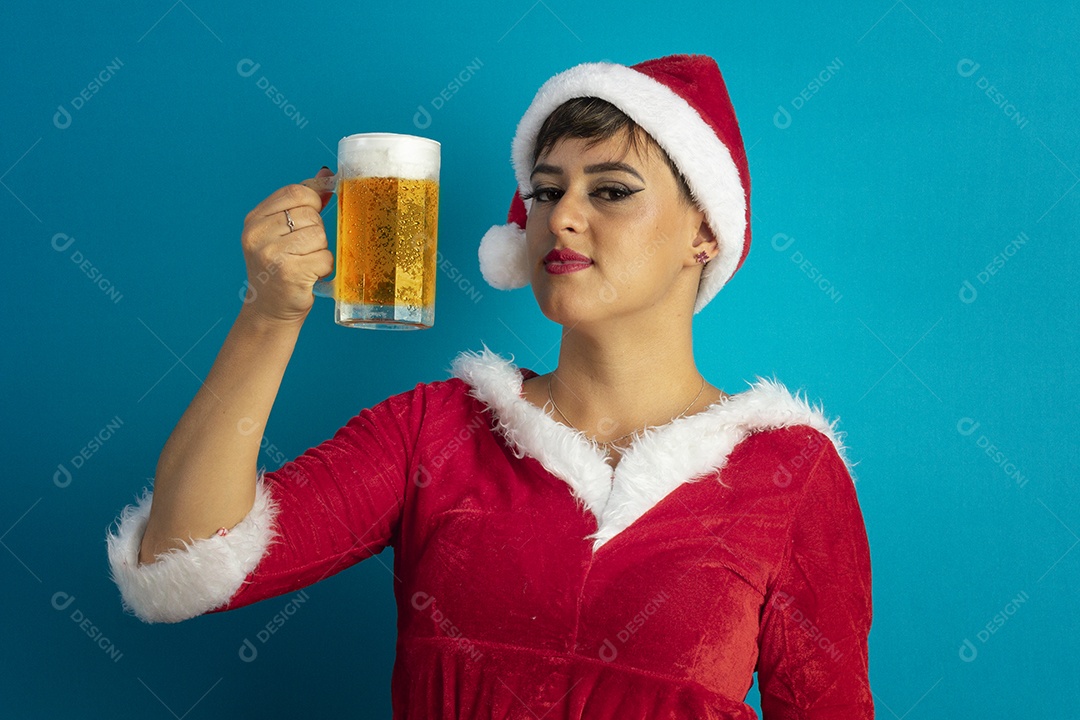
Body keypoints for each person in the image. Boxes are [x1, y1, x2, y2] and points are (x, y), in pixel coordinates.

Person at [106, 54, 873, 719]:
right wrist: (269, 316)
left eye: (610, 191)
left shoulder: (790, 474)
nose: (562, 216)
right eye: (545, 191)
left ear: (705, 232)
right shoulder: (433, 432)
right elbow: (183, 557)